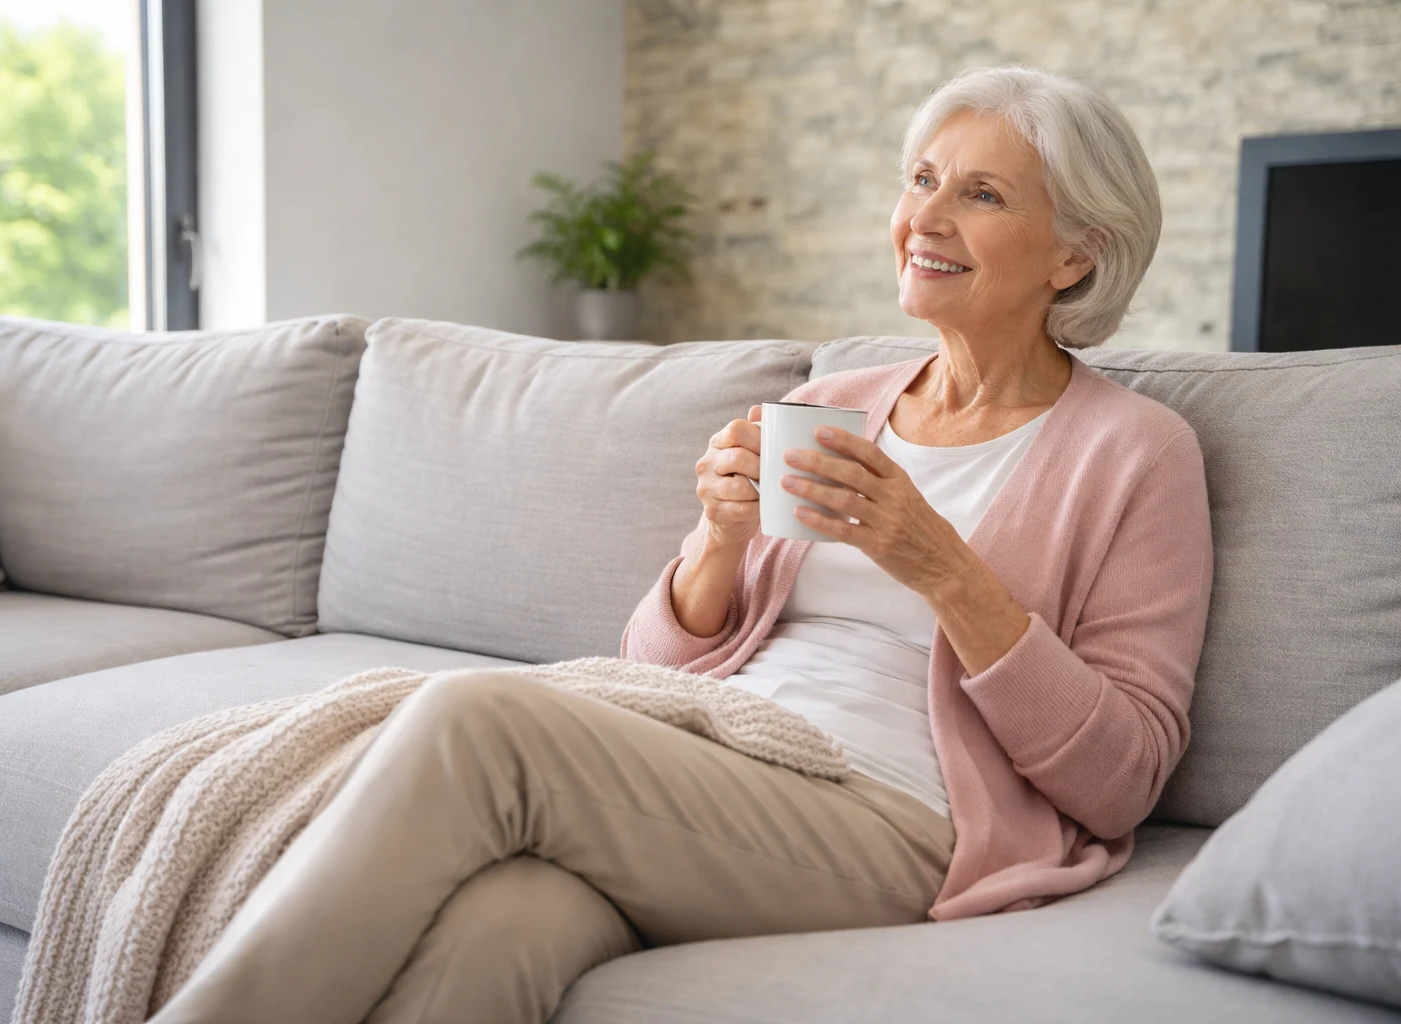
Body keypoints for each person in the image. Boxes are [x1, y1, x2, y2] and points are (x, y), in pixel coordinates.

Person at [148, 64, 1214, 1024]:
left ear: (1077, 255)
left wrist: (938, 562)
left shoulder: (1136, 451)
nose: (924, 217)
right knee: (509, 923)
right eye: (922, 179)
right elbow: (650, 675)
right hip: (723, 758)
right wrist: (716, 540)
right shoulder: (837, 402)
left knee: (477, 716)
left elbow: (1122, 779)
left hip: (901, 816)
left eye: (981, 194)